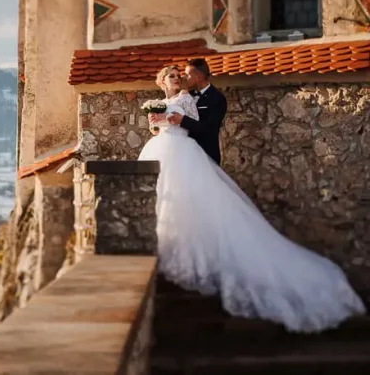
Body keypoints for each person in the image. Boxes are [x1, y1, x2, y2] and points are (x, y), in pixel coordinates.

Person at [137, 65, 365, 333]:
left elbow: (198, 126)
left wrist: (178, 122)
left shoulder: (186, 99)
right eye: (171, 76)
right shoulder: (160, 103)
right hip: (160, 148)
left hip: (183, 151)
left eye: (179, 75)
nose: (177, 79)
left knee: (194, 199)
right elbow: (157, 130)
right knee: (163, 196)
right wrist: (155, 125)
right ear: (162, 81)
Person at [163, 58, 226, 164]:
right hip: (184, 155)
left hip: (206, 155)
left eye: (188, 75)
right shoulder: (185, 95)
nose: (184, 78)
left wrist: (183, 120)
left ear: (198, 77)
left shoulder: (217, 98)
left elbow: (209, 128)